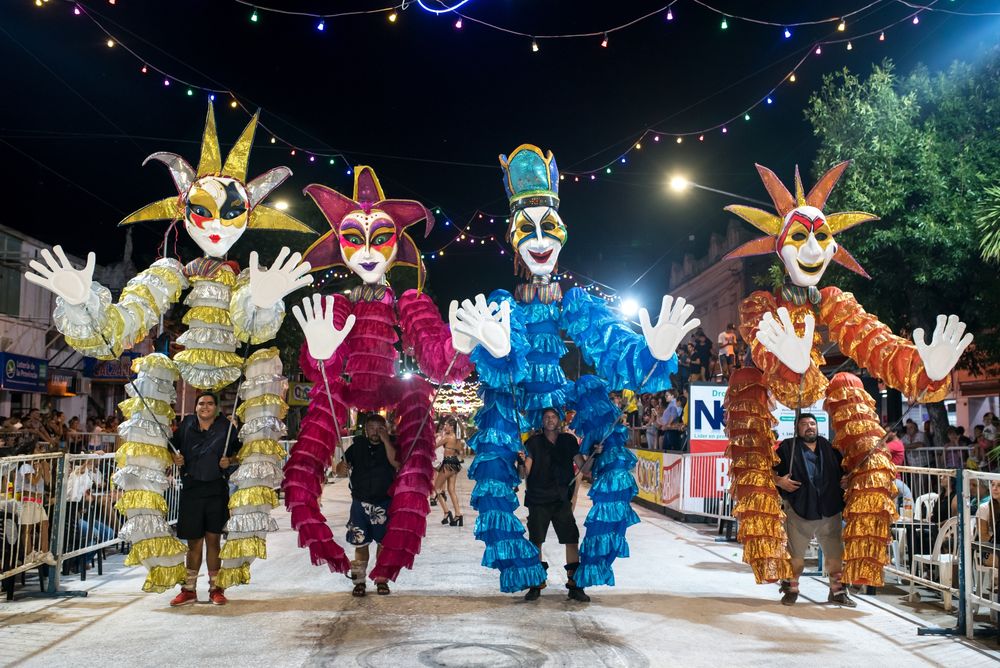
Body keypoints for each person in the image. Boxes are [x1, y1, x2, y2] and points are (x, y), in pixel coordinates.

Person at [517, 407, 601, 603]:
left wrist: (594, 454)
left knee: (571, 539)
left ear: (559, 420)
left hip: (562, 498)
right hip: (538, 499)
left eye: (553, 417)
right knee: (536, 540)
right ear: (542, 421)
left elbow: (584, 469)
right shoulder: (533, 442)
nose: (550, 420)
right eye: (546, 417)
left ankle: (575, 585)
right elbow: (524, 473)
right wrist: (520, 461)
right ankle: (536, 583)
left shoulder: (568, 441)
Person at [773, 413, 854, 607]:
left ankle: (837, 592)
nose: (809, 427)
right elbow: (770, 471)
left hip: (830, 507)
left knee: (835, 556)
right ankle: (791, 589)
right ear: (796, 428)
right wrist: (779, 481)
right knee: (796, 559)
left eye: (812, 423)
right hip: (800, 507)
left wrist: (846, 480)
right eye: (804, 424)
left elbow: (844, 473)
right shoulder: (787, 448)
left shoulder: (830, 447)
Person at [169, 392, 239, 607]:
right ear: (195, 406)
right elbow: (171, 447)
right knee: (193, 543)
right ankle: (189, 589)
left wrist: (230, 461)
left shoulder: (226, 428)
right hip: (191, 489)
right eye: (201, 403)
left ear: (216, 408)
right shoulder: (187, 424)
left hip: (216, 489)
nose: (205, 407)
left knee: (213, 541)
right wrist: (175, 457)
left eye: (209, 404)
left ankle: (216, 588)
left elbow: (238, 453)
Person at [336, 414, 400, 597]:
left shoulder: (392, 445)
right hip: (360, 503)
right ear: (365, 430)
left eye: (380, 428)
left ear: (385, 429)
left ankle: (381, 579)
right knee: (360, 544)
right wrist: (343, 468)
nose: (375, 432)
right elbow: (339, 471)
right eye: (371, 428)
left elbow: (396, 462)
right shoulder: (357, 446)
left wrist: (386, 440)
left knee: (384, 544)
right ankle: (359, 581)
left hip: (385, 503)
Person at [15, 441, 57, 565]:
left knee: (45, 524)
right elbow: (33, 481)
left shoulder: (37, 466)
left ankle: (45, 553)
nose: (41, 451)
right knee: (27, 529)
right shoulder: (25, 467)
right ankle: (29, 555)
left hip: (38, 501)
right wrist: (39, 470)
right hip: (27, 501)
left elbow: (48, 482)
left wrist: (45, 467)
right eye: (38, 449)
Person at [432, 417, 464, 527]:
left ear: (451, 427)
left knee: (436, 488)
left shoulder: (448, 437)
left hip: (447, 464)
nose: (444, 426)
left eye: (446, 425)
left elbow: (434, 446)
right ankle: (458, 514)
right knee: (451, 490)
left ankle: (446, 512)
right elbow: (460, 451)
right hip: (455, 463)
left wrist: (439, 436)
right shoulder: (458, 438)